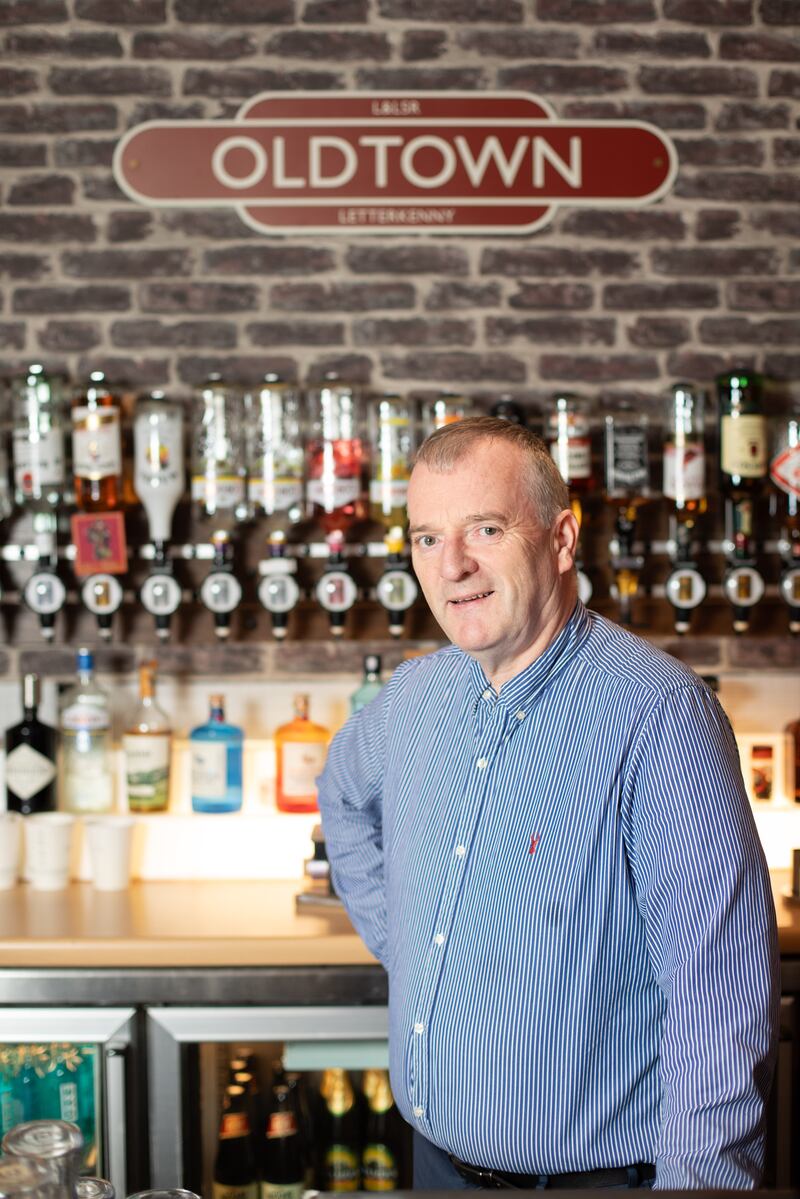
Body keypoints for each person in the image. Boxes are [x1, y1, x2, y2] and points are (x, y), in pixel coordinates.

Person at [317, 416, 779, 1191]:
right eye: (427, 537)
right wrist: (409, 942)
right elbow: (340, 793)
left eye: (485, 528)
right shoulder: (414, 697)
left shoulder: (660, 715)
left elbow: (720, 1005)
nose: (453, 564)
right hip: (435, 1167)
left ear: (562, 539)